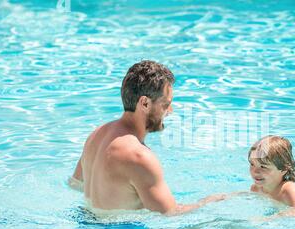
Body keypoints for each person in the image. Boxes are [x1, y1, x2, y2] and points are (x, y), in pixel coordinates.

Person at [68, 60, 225, 215]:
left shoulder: (97, 134)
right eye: (165, 104)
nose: (170, 110)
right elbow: (170, 214)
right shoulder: (138, 157)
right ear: (144, 103)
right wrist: (206, 202)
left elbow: (75, 184)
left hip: (87, 223)